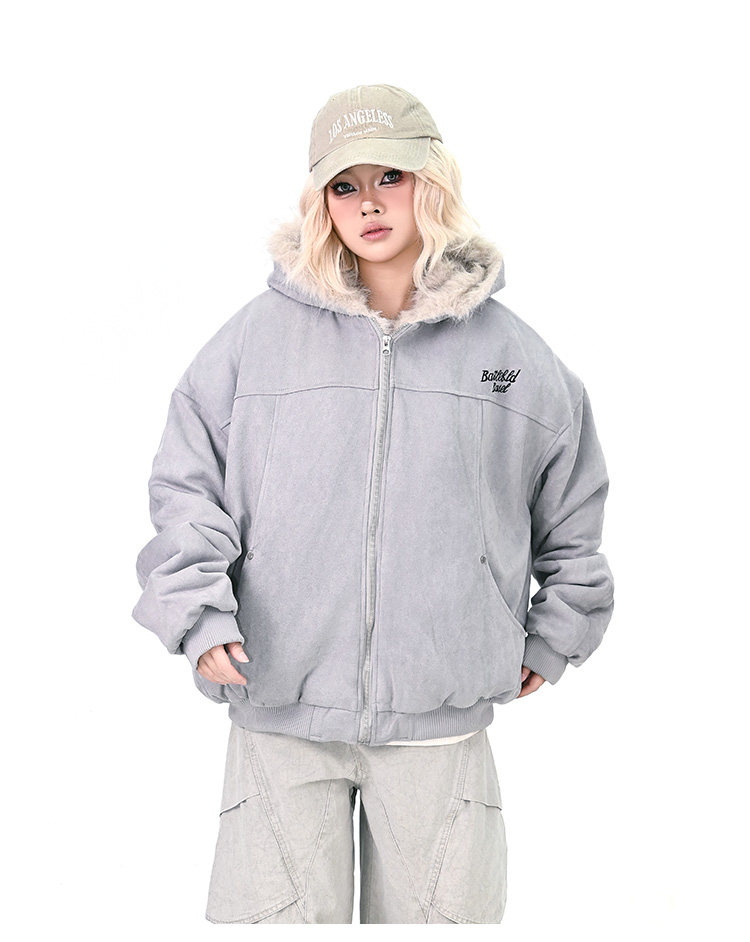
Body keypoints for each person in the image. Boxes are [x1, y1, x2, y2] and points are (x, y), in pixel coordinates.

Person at [131, 84, 615, 924]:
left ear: (432, 182)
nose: (369, 202)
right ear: (321, 202)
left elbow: (572, 505)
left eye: (390, 176)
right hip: (279, 706)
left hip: (440, 717)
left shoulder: (513, 357)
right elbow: (186, 485)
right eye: (345, 185)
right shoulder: (253, 344)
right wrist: (198, 614)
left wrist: (559, 629)